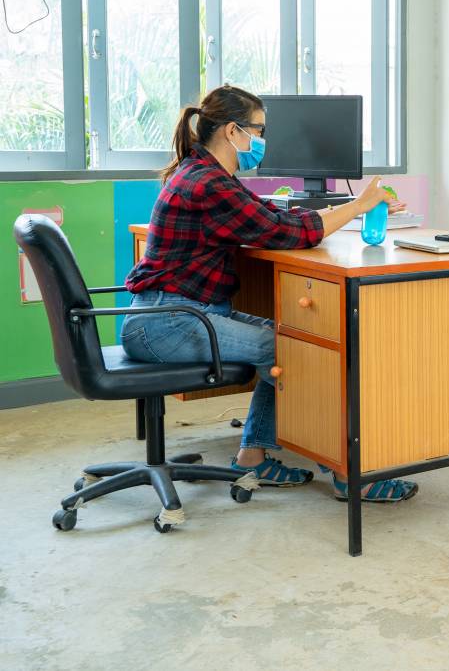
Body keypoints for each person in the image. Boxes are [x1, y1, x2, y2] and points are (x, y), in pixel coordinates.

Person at [121, 85, 417, 503]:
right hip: (170, 323)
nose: (262, 141)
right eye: (258, 130)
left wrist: (347, 208)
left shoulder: (205, 173)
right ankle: (351, 474)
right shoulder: (209, 184)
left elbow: (272, 216)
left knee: (290, 339)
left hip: (169, 315)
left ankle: (253, 456)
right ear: (232, 132)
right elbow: (286, 232)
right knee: (303, 349)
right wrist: (358, 206)